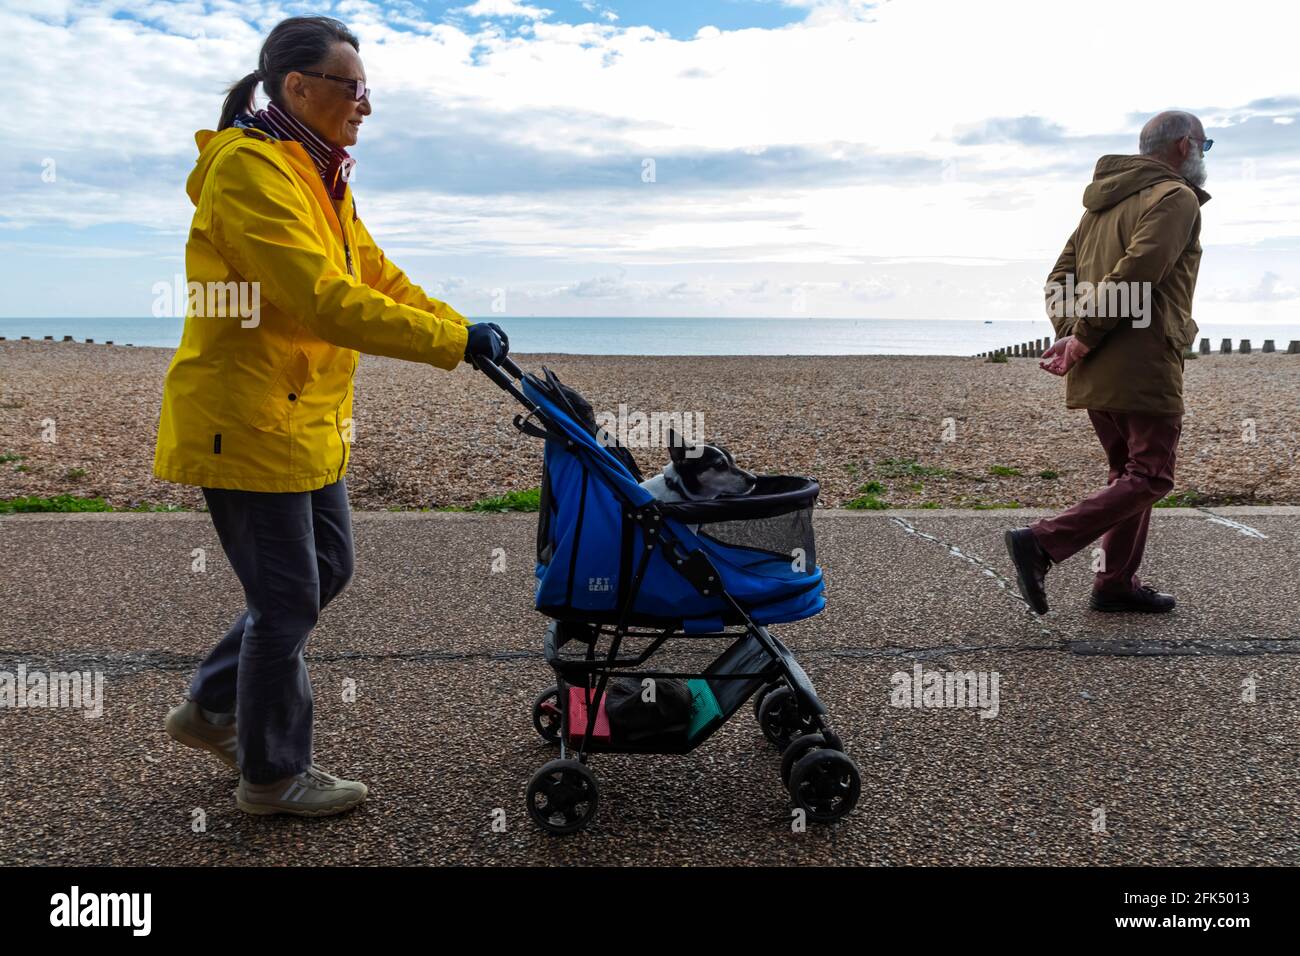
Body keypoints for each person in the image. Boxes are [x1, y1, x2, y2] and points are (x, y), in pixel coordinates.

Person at [154, 16, 509, 816]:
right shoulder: (249, 173)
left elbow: (377, 276)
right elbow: (324, 300)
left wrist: (466, 330)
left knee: (327, 572)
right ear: (297, 88)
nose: (365, 105)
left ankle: (211, 707)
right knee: (286, 601)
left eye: (366, 89)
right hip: (245, 420)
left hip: (303, 419)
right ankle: (272, 777)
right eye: (352, 88)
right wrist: (451, 343)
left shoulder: (321, 175)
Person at [1005, 110, 1211, 615]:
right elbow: (1138, 273)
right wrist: (1080, 339)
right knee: (1153, 475)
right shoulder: (1175, 198)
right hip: (1142, 364)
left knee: (1127, 473)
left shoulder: (1099, 207)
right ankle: (1041, 541)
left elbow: (1060, 279)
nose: (1205, 156)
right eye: (1206, 145)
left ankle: (1115, 583)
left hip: (1098, 363)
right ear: (1185, 145)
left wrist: (1074, 335)